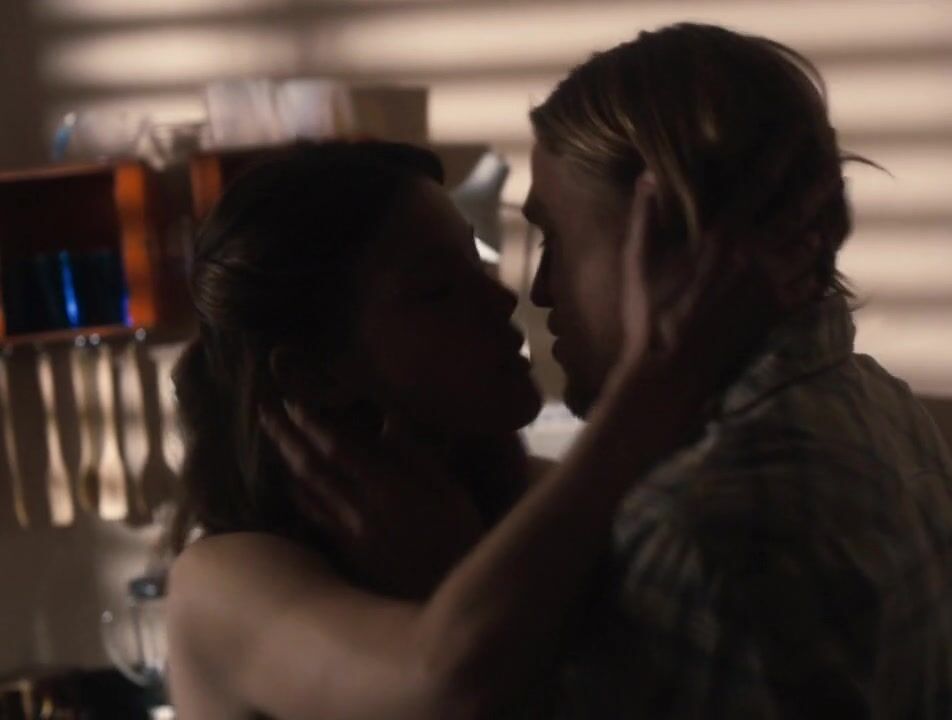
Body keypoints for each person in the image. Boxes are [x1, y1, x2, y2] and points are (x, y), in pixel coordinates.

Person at [164, 141, 750, 719]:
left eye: (477, 263)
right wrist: (650, 391)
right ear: (315, 376)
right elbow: (446, 688)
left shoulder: (545, 499)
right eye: (436, 291)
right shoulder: (225, 582)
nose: (501, 299)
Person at [522, 24, 952, 718]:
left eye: (555, 239)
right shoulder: (880, 404)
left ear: (673, 240)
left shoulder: (699, 527)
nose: (540, 290)